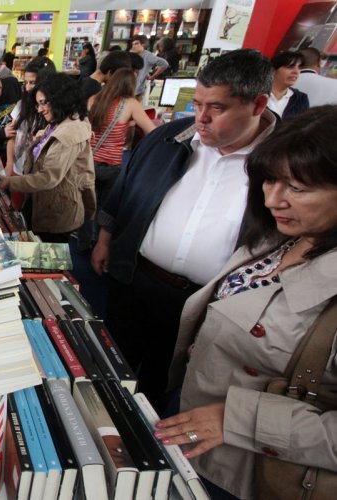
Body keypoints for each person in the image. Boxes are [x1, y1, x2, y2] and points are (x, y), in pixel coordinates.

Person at [158, 106, 337, 500]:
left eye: (298, 188)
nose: (274, 200)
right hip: (193, 420)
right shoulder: (280, 238)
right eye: (268, 181)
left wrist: (242, 420)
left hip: (253, 472)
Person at [91, 49, 279, 408]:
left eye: (217, 108)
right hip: (135, 278)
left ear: (257, 105)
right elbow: (125, 191)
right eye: (198, 104)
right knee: (111, 361)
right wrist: (105, 239)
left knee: (166, 382)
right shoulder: (168, 139)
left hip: (205, 303)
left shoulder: (282, 162)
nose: (202, 118)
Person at [0, 73, 95, 243]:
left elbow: (48, 178)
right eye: (38, 104)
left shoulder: (69, 132)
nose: (40, 110)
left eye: (44, 103)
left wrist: (9, 182)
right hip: (44, 203)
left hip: (56, 212)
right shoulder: (60, 121)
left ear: (60, 99)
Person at [77, 68, 157, 250]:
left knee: (87, 206)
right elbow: (152, 131)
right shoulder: (131, 104)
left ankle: (83, 243)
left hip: (89, 162)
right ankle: (99, 244)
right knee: (106, 209)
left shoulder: (94, 99)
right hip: (112, 165)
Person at [269, 50, 310, 119]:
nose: (296, 72)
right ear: (273, 70)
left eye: (299, 68)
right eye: (290, 67)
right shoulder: (256, 93)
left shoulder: (301, 99)